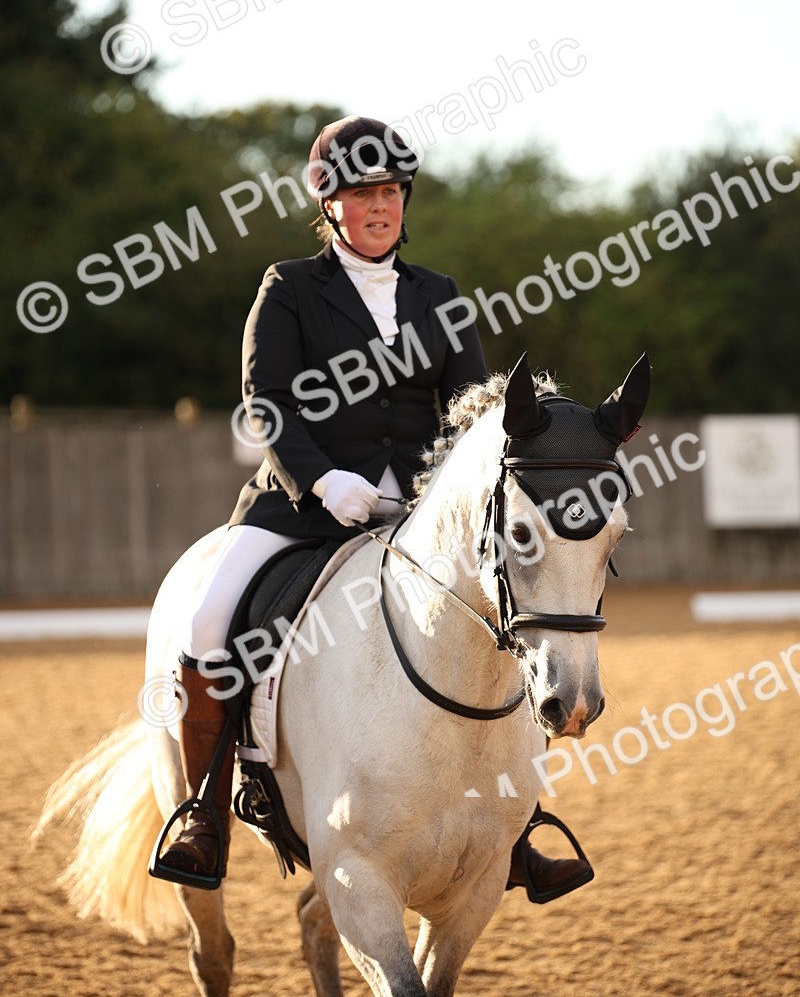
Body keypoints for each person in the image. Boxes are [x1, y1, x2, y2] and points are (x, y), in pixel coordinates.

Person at [157, 115, 592, 903]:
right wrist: (326, 483)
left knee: (500, 622)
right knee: (207, 624)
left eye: (390, 191)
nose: (381, 206)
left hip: (415, 515)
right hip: (302, 507)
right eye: (363, 193)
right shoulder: (289, 288)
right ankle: (204, 814)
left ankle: (516, 826)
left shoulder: (440, 296)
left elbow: (471, 412)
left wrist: (427, 491)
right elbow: (269, 405)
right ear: (330, 205)